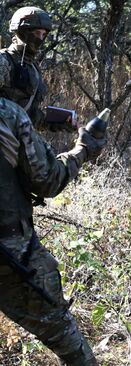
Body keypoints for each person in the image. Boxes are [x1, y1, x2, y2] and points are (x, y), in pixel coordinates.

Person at [0, 98, 106, 365]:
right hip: (10, 254)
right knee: (63, 335)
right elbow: (48, 180)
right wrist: (83, 149)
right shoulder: (7, 113)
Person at [0, 6, 73, 131]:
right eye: (36, 33)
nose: (40, 38)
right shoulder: (3, 60)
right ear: (22, 32)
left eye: (43, 34)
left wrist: (56, 122)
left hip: (21, 138)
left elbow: (30, 117)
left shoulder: (33, 68)